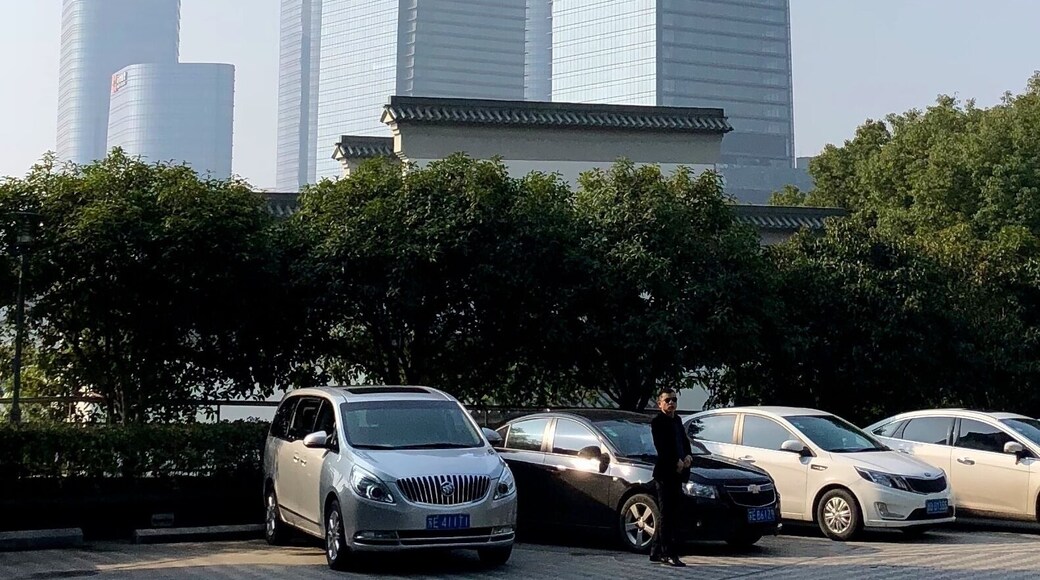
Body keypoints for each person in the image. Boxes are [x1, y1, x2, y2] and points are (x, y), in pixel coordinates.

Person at [649, 388, 692, 567]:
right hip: (665, 474)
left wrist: (688, 456)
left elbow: (684, 441)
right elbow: (662, 447)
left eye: (674, 400)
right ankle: (668, 553)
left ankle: (655, 550)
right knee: (667, 514)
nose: (671, 403)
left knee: (673, 513)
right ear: (660, 403)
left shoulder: (678, 420)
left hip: (679, 474)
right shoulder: (658, 422)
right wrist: (675, 461)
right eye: (667, 400)